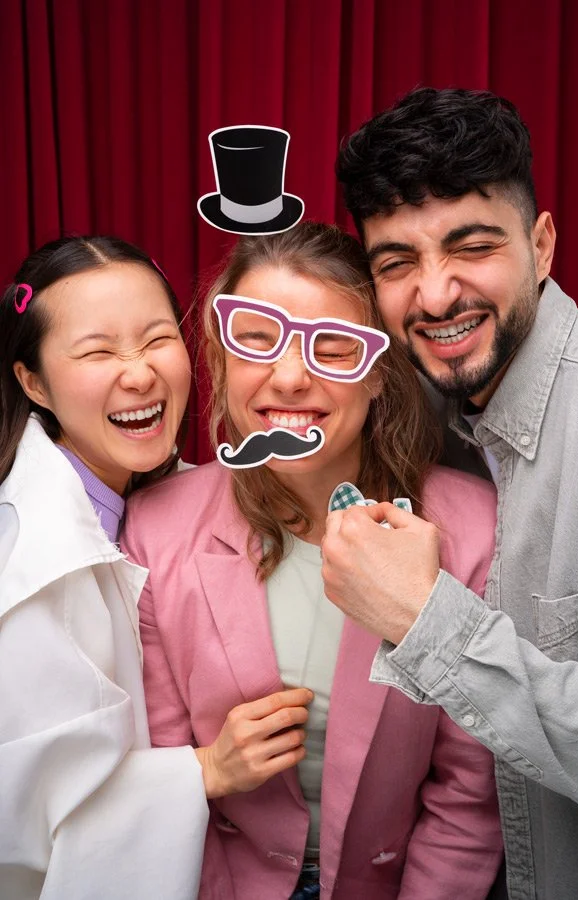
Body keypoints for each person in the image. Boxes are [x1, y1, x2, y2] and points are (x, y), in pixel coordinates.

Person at [120, 222, 503, 900]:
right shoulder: (155, 526)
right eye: (259, 343)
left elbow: (467, 798)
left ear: (380, 373)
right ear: (221, 356)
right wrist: (207, 769)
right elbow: (156, 771)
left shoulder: (474, 532)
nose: (291, 377)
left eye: (330, 348)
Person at [321, 86, 578, 899]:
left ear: (542, 246)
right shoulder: (410, 410)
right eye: (397, 264)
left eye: (471, 247)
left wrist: (423, 620)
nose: (436, 295)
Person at [0, 236, 210, 899]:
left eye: (155, 339)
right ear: (32, 381)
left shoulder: (194, 496)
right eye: (98, 352)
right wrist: (209, 770)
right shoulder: (28, 559)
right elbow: (27, 813)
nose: (140, 374)